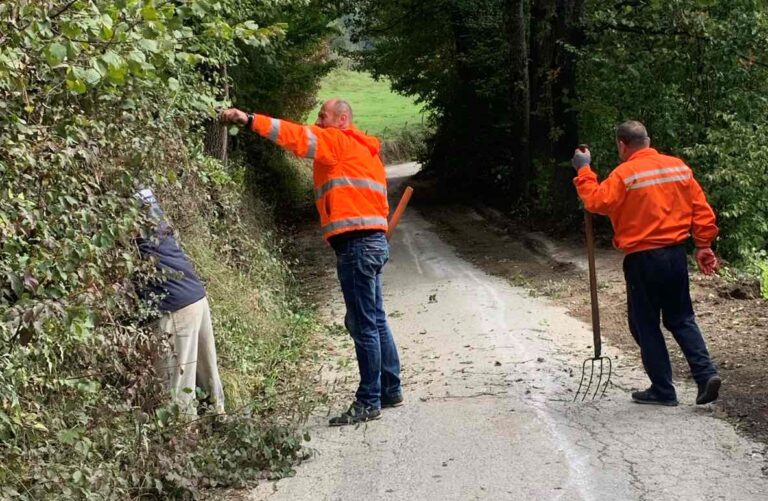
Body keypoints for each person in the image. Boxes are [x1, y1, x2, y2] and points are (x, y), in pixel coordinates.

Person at [219, 99, 402, 426]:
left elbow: (293, 135)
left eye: (323, 116)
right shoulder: (368, 152)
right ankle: (390, 388)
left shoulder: (337, 142)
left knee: (363, 325)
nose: (318, 121)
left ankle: (368, 400)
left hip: (357, 245)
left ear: (342, 119)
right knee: (374, 318)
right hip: (372, 241)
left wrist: (248, 119)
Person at [571, 120, 721, 406]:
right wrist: (703, 245)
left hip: (643, 260)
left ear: (622, 144)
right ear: (648, 141)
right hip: (675, 256)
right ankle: (706, 376)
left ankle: (663, 389)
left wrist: (583, 169)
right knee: (682, 319)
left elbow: (595, 202)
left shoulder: (625, 174)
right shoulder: (679, 167)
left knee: (645, 324)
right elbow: (702, 210)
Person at [134, 187, 225, 417]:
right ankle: (222, 434)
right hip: (194, 296)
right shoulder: (145, 197)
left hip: (173, 306)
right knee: (210, 391)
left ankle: (186, 444)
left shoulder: (117, 205)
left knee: (176, 399)